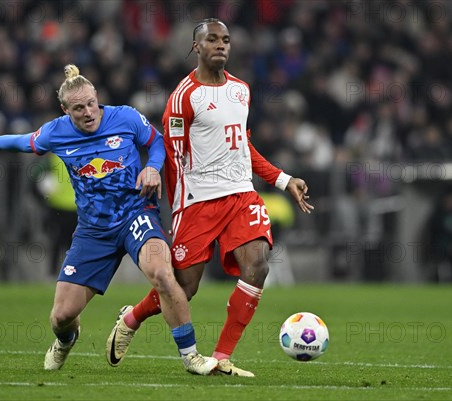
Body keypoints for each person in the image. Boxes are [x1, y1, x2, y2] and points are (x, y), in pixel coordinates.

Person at [0, 64, 218, 375]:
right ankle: (66, 341)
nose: (87, 112)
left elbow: (156, 141)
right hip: (93, 230)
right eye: (78, 108)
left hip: (136, 213)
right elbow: (25, 141)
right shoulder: (56, 132)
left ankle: (191, 357)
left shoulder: (125, 117)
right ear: (65, 110)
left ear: (98, 98)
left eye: (90, 104)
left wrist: (152, 167)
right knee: (60, 317)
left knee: (164, 276)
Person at [106, 19, 313, 377]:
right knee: (183, 289)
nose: (221, 45)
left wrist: (283, 179)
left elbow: (243, 146)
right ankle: (131, 318)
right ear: (196, 47)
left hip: (241, 196)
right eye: (212, 39)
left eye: (226, 40)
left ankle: (222, 355)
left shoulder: (242, 91)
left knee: (259, 265)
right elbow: (170, 155)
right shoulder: (184, 97)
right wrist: (169, 202)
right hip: (198, 202)